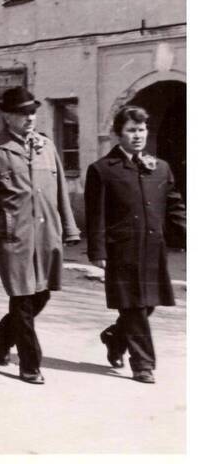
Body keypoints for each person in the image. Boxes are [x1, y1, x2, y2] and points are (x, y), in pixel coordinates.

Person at [0, 87, 81, 385]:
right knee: (22, 299)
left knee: (41, 294)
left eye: (32, 112)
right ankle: (30, 364)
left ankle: (5, 333)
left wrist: (69, 228)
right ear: (6, 116)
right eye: (22, 113)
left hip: (46, 234)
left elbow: (60, 194)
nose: (29, 117)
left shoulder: (47, 147)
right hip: (13, 238)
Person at [85, 105, 186, 384]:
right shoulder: (103, 170)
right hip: (122, 250)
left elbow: (175, 205)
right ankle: (143, 364)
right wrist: (98, 251)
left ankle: (115, 338)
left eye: (142, 130)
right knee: (134, 307)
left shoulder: (160, 167)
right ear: (119, 134)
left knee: (148, 304)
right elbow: (96, 216)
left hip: (153, 249)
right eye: (131, 130)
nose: (138, 135)